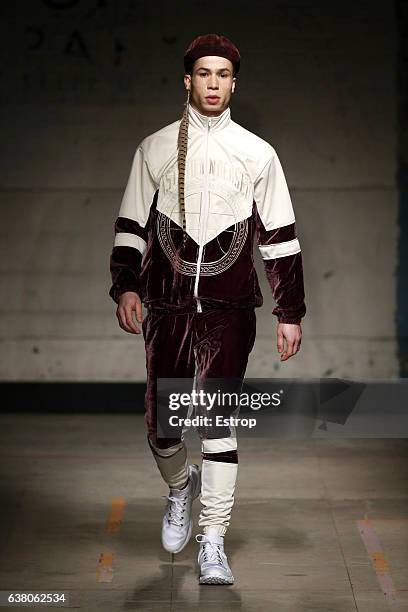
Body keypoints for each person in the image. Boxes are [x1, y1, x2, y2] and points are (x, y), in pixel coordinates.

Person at [109, 33, 306, 585]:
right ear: (187, 80)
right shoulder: (154, 148)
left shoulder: (257, 153)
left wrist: (289, 311)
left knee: (215, 421)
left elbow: (281, 238)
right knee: (164, 428)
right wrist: (125, 286)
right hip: (166, 305)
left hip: (231, 307)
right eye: (204, 73)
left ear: (234, 82)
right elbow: (130, 225)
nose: (213, 82)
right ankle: (180, 488)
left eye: (223, 74)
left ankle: (212, 538)